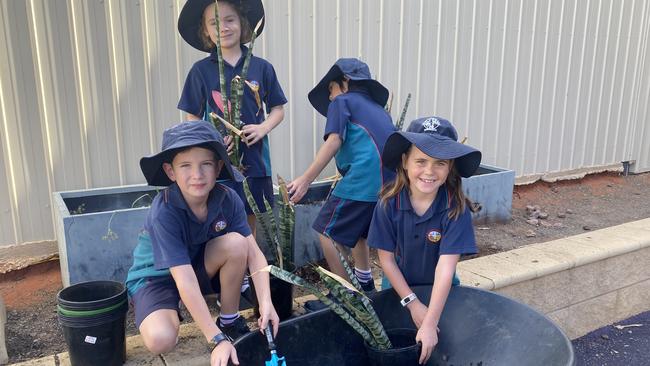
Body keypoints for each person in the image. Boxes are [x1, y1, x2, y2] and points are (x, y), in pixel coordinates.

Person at [125, 121, 279, 366]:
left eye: (205, 164)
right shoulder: (164, 212)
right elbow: (183, 280)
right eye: (185, 165)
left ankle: (229, 320)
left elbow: (255, 255)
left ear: (218, 168)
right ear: (170, 171)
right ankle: (160, 309)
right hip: (157, 277)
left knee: (238, 244)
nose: (197, 175)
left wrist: (266, 303)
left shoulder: (228, 199)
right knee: (160, 340)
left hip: (195, 267)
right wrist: (216, 340)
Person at [367, 116, 482, 364]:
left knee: (442, 349)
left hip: (442, 292)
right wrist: (412, 303)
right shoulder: (388, 204)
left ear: (450, 167)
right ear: (405, 161)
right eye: (421, 161)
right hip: (398, 290)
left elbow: (446, 267)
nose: (429, 171)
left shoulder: (455, 208)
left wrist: (430, 321)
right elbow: (386, 261)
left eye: (439, 163)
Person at [287, 58, 396, 306]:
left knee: (326, 232)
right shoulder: (380, 110)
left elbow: (334, 140)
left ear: (345, 83)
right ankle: (365, 280)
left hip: (363, 180)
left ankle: (345, 292)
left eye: (331, 89)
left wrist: (305, 180)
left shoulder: (343, 102)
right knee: (359, 233)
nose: (331, 96)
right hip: (388, 185)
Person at [177, 0, 287, 235]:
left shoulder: (262, 67)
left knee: (250, 218)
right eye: (214, 23)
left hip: (256, 162)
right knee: (220, 218)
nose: (223, 28)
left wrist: (262, 128)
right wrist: (212, 141)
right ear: (205, 30)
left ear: (242, 23)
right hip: (219, 163)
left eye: (230, 20)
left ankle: (248, 270)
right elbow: (192, 117)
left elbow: (278, 110)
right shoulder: (200, 71)